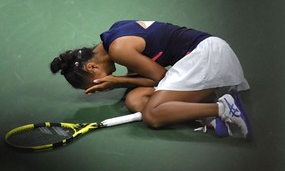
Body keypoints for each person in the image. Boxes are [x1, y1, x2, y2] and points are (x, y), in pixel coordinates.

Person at [50, 20, 251, 140]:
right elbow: (145, 79)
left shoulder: (119, 50)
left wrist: (118, 81)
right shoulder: (114, 35)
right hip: (201, 62)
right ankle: (205, 112)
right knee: (135, 100)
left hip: (208, 58)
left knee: (152, 115)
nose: (102, 86)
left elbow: (160, 77)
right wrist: (124, 82)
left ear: (92, 66)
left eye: (96, 82)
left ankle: (223, 108)